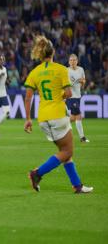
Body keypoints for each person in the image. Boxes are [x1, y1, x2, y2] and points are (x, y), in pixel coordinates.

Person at [24, 36, 92, 194]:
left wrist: (28, 119)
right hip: (58, 116)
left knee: (64, 152)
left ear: (40, 54)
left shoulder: (34, 72)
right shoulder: (61, 69)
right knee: (67, 151)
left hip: (42, 118)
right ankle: (37, 173)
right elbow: (68, 93)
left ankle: (77, 185)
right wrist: (60, 95)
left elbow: (28, 98)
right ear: (53, 52)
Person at [67, 54, 89, 142]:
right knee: (78, 116)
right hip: (70, 96)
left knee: (72, 117)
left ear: (77, 61)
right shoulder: (66, 71)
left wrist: (82, 81)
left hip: (78, 96)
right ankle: (82, 138)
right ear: (69, 62)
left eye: (74, 60)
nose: (73, 62)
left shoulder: (81, 69)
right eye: (71, 60)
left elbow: (83, 81)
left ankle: (58, 127)